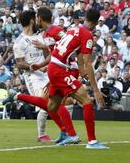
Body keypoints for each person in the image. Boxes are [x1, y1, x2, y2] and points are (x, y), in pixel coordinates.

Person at [11, 9, 108, 149]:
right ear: (96, 22)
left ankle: (19, 96)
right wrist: (96, 90)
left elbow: (61, 53)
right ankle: (91, 141)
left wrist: (45, 68)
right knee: (86, 100)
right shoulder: (86, 35)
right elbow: (87, 62)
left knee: (51, 106)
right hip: (60, 70)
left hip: (56, 70)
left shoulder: (71, 30)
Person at [5, 7, 79, 144]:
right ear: (33, 20)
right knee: (47, 105)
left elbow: (50, 55)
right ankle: (45, 134)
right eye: (36, 18)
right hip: (33, 77)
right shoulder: (19, 41)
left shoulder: (41, 36)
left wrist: (45, 58)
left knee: (65, 102)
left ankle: (65, 132)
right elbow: (19, 63)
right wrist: (34, 67)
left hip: (48, 73)